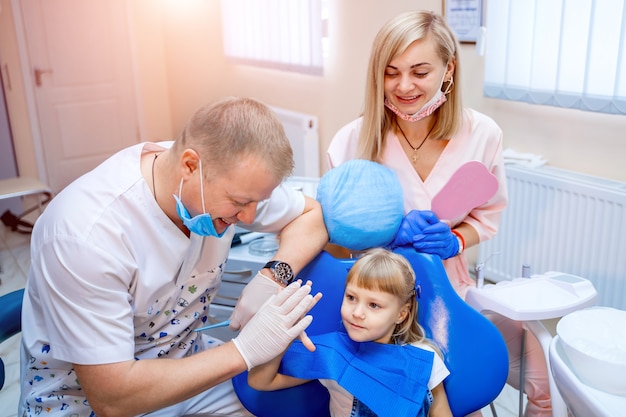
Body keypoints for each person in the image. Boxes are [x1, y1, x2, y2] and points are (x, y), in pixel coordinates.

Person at [19, 96, 329, 417]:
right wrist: (245, 350)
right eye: (239, 202)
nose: (250, 217)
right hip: (87, 402)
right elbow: (112, 398)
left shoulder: (228, 175)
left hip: (187, 364)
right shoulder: (86, 235)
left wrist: (273, 276)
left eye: (257, 202)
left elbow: (312, 216)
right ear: (189, 165)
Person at [326, 10, 551, 417]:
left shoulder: (482, 134)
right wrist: (383, 238)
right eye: (390, 72)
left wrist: (456, 239)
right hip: (375, 303)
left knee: (459, 396)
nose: (404, 86)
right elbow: (332, 243)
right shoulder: (351, 142)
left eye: (419, 71)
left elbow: (487, 216)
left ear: (448, 69)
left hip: (448, 292)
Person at [248, 248, 452, 417]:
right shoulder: (332, 353)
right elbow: (261, 381)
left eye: (374, 305)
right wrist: (281, 334)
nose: (357, 313)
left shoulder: (424, 360)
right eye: (352, 297)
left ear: (401, 313)